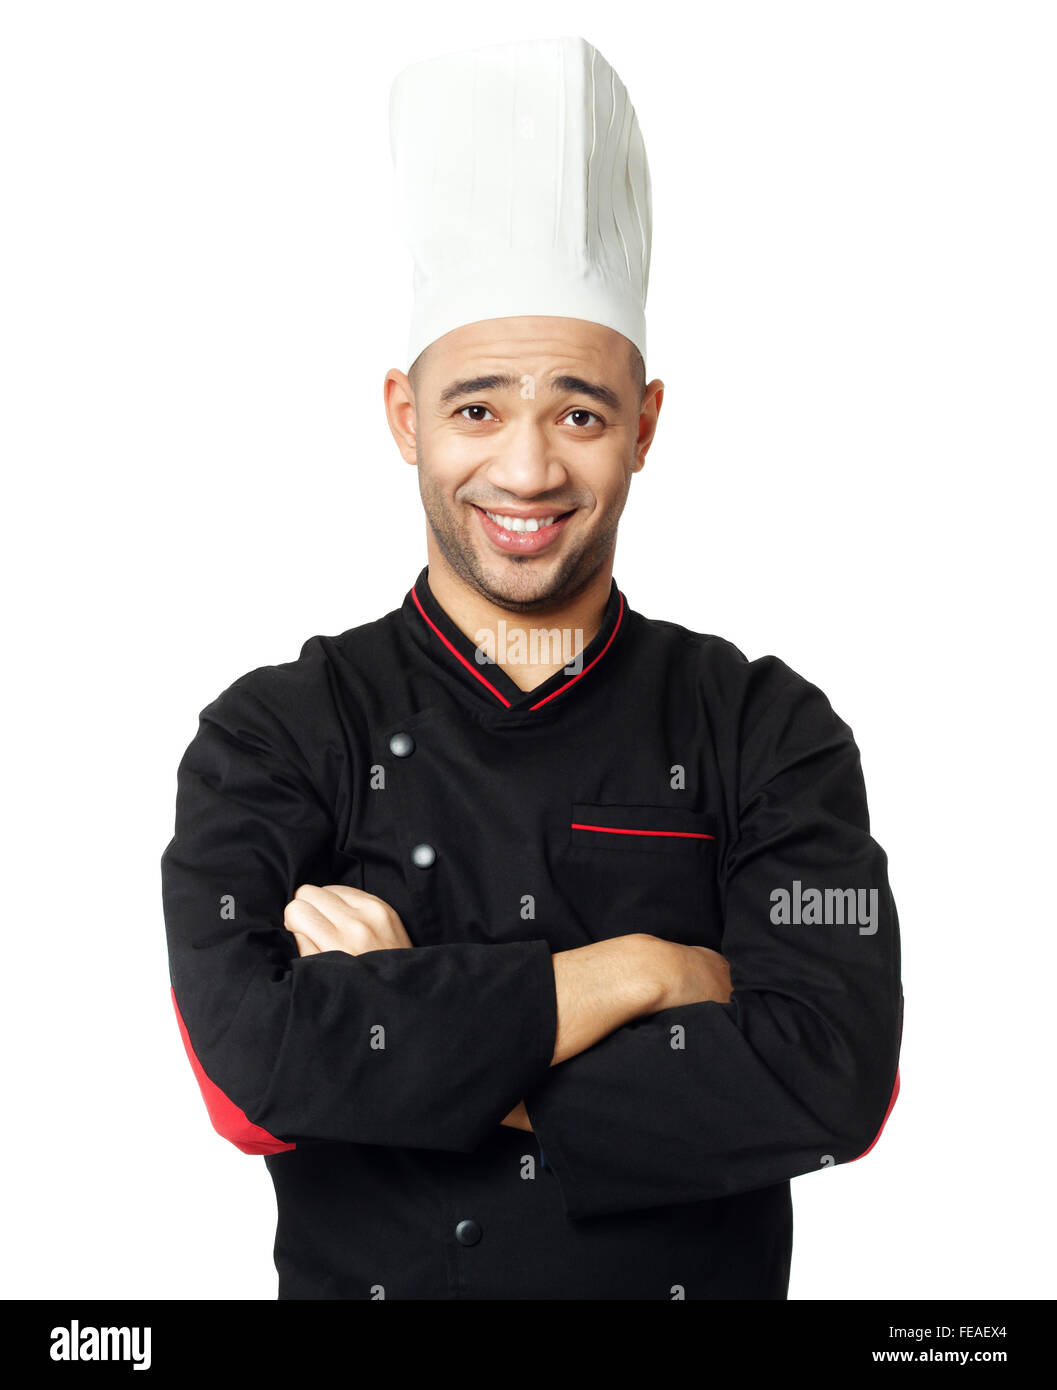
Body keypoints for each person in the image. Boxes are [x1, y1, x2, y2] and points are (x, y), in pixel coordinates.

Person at [160, 34, 903, 1300]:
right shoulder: (274, 736)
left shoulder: (769, 733)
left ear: (645, 424)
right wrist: (645, 975)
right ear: (404, 414)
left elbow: (833, 1079)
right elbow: (248, 1081)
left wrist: (402, 1027)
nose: (525, 471)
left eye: (578, 410)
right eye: (475, 408)